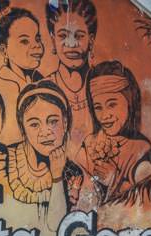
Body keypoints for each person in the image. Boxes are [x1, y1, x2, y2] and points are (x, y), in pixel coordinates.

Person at [75, 60, 151, 204]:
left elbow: (147, 203)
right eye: (98, 107)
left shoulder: (140, 150)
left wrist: (114, 180)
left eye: (112, 104)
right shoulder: (88, 144)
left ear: (129, 101)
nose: (105, 116)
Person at [6, 80, 85, 222]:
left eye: (53, 121)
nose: (45, 132)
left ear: (65, 122)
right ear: (23, 127)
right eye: (34, 124)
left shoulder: (73, 174)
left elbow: (58, 226)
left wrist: (57, 177)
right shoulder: (7, 159)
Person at [44, 0, 98, 154]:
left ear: (91, 40)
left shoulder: (104, 85)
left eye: (79, 36)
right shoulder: (44, 90)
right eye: (63, 35)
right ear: (53, 39)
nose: (71, 44)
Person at [0, 3, 45, 145]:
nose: (36, 46)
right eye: (24, 41)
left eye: (37, 38)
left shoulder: (42, 82)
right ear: (4, 49)